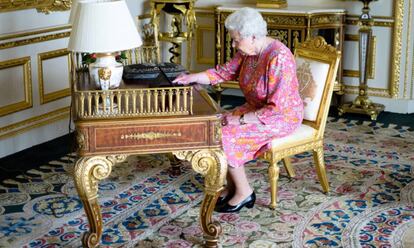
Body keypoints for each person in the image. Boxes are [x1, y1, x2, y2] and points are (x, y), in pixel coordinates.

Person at [173, 7, 303, 213]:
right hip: (254, 108)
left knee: (226, 134)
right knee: (214, 125)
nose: (233, 44)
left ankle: (244, 192)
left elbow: (277, 109)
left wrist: (239, 120)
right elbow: (225, 72)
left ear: (252, 36)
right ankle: (233, 186)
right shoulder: (248, 51)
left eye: (236, 40)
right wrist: (193, 77)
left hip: (279, 117)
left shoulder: (279, 58)